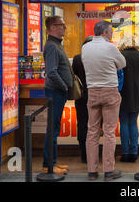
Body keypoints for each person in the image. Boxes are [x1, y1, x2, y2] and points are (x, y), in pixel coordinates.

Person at [82, 20, 126, 181]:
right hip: (110, 91)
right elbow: (122, 64)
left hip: (92, 91)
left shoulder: (85, 47)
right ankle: (109, 170)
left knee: (92, 132)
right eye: (111, 32)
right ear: (105, 33)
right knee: (109, 132)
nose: (112, 35)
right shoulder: (110, 47)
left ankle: (92, 172)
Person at [42, 15, 72, 175]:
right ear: (52, 27)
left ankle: (52, 162)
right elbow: (51, 72)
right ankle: (48, 164)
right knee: (52, 129)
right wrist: (64, 87)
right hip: (55, 92)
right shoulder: (52, 47)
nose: (64, 28)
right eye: (62, 25)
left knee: (54, 128)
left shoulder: (56, 45)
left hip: (57, 92)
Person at [118, 37, 139, 163]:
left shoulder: (119, 55)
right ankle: (134, 152)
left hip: (122, 92)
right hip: (136, 92)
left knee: (123, 122)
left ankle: (125, 153)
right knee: (133, 123)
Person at [72, 35, 93, 163]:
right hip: (96, 94)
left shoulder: (77, 58)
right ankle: (93, 153)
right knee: (94, 125)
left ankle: (84, 154)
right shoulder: (98, 58)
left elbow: (73, 75)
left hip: (81, 96)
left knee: (82, 123)